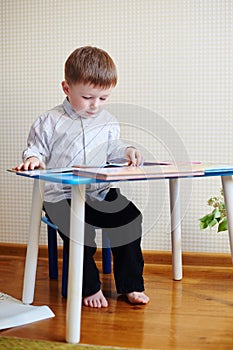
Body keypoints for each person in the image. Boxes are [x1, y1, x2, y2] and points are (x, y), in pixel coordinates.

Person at [14, 46, 149, 308]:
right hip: (60, 197)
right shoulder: (49, 121)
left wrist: (128, 151)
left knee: (130, 218)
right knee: (80, 231)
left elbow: (114, 150)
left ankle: (131, 285)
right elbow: (36, 149)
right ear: (67, 88)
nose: (95, 105)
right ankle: (86, 287)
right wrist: (33, 159)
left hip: (97, 193)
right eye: (87, 97)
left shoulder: (108, 121)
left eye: (103, 98)